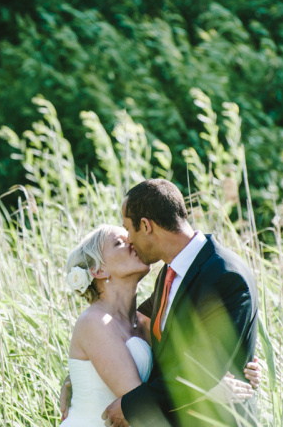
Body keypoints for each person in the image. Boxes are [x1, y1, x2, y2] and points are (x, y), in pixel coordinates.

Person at [58, 223, 259, 426]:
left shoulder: (147, 319)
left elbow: (182, 363)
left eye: (129, 237)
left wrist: (236, 362)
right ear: (98, 271)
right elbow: (141, 408)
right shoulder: (95, 323)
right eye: (119, 243)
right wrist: (210, 395)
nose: (132, 243)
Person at [102, 179, 260, 426]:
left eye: (129, 229)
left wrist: (131, 405)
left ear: (146, 226)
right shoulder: (168, 273)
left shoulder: (225, 276)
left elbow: (203, 368)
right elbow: (127, 329)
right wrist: (81, 376)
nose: (129, 241)